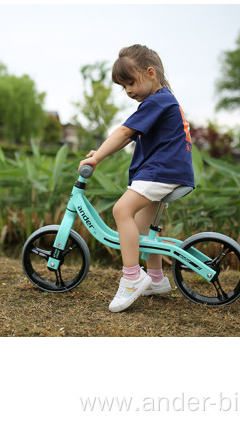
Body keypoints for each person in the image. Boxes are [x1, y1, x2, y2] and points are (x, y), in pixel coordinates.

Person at [79, 44, 195, 312]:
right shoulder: (165, 99)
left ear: (150, 73)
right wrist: (102, 151)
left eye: (130, 82)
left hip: (160, 171)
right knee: (144, 231)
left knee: (121, 210)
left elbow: (123, 133)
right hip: (168, 171)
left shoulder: (157, 101)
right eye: (123, 86)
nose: (128, 90)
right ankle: (155, 279)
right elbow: (126, 137)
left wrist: (96, 158)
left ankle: (132, 277)